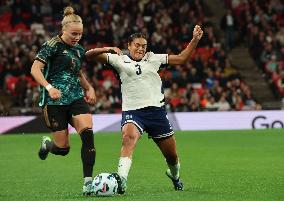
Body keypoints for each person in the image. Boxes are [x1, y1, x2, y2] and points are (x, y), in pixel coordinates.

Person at [86, 25, 203, 193]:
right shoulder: (118, 59)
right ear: (129, 45)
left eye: (143, 46)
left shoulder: (154, 58)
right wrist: (108, 48)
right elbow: (88, 56)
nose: (140, 49)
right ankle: (122, 181)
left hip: (157, 113)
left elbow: (182, 58)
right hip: (133, 113)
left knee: (172, 156)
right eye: (137, 45)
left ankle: (175, 176)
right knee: (128, 137)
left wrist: (195, 40)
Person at [30, 6, 96, 195]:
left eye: (80, 34)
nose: (77, 37)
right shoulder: (52, 45)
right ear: (63, 30)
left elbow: (77, 72)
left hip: (76, 98)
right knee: (62, 149)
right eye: (74, 34)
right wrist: (49, 88)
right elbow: (35, 69)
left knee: (88, 135)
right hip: (54, 102)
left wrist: (89, 87)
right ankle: (48, 145)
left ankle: (88, 183)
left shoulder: (79, 50)